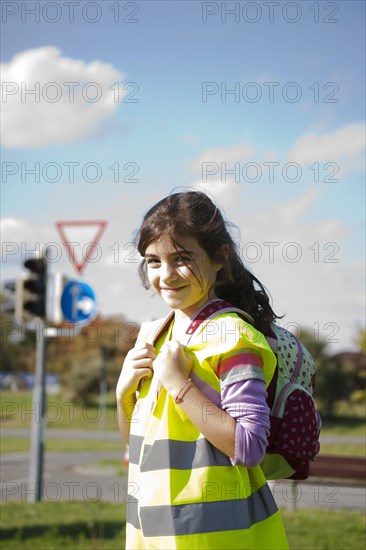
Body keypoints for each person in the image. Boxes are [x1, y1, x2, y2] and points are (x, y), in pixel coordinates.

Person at [116, 190, 289, 549]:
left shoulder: (232, 337)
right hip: (153, 534)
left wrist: (180, 386)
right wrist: (123, 394)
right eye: (152, 261)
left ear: (218, 258)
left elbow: (249, 445)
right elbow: (140, 446)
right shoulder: (152, 335)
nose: (165, 275)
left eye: (181, 258)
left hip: (220, 539)